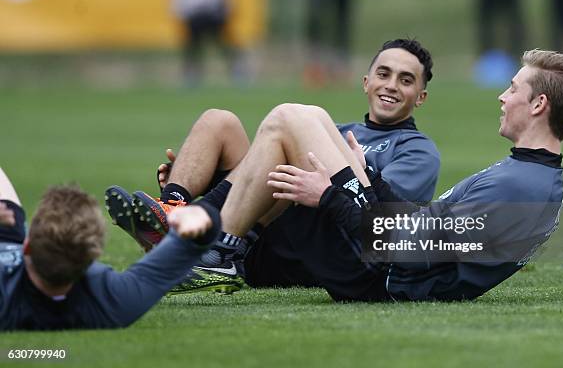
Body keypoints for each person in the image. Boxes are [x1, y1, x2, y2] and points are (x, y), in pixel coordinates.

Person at [167, 49, 563, 301]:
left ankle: (216, 249)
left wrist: (332, 196)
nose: (503, 97)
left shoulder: (519, 187)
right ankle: (198, 221)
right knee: (309, 117)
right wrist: (368, 178)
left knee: (289, 118)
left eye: (514, 89)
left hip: (377, 275)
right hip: (385, 259)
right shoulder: (529, 175)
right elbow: (426, 228)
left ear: (538, 105)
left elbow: (411, 251)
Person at [106, 38, 440, 292]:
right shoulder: (336, 132)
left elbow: (381, 218)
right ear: (367, 82)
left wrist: (345, 175)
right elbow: (263, 172)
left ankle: (190, 231)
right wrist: (202, 176)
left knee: (291, 119)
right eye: (384, 74)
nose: (392, 85)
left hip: (316, 246)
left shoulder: (418, 150)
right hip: (265, 229)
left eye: (406, 80)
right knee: (218, 122)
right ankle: (175, 204)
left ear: (421, 97)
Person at [0, 168, 222, 330]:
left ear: (27, 245)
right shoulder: (112, 301)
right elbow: (199, 236)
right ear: (92, 258)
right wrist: (201, 217)